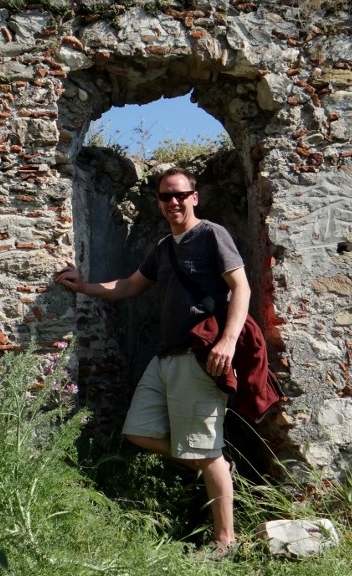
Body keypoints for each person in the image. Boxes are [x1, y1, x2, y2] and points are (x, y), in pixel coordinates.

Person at [54, 166, 249, 554]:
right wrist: (85, 286)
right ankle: (218, 472)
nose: (173, 202)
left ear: (195, 196)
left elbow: (240, 286)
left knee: (208, 450)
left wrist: (227, 341)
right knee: (138, 431)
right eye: (165, 196)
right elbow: (128, 285)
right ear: (158, 202)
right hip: (167, 357)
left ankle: (225, 540)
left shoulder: (212, 235)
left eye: (180, 194)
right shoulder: (163, 248)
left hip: (201, 355)